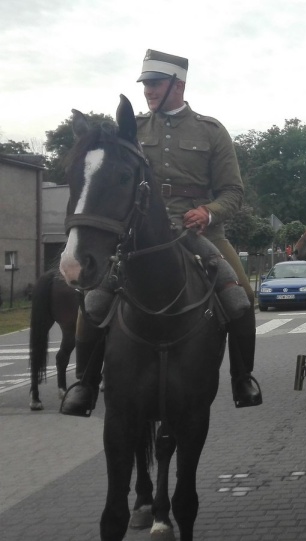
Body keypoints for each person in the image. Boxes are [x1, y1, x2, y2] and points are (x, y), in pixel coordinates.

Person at [61, 49, 262, 415]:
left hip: (196, 230)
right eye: (146, 85)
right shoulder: (131, 130)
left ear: (178, 84)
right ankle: (85, 383)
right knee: (93, 300)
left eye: (155, 84)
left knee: (240, 297)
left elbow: (233, 191)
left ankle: (242, 378)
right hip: (139, 235)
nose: (148, 91)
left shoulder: (211, 131)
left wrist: (208, 212)